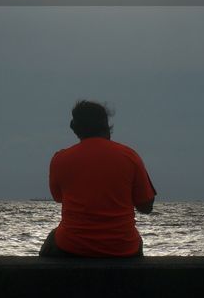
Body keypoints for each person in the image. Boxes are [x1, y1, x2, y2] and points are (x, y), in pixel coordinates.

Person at [40, 99, 157, 258]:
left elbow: (59, 198)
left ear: (75, 129)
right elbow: (146, 206)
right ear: (106, 125)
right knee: (136, 241)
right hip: (123, 248)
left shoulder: (60, 159)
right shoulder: (130, 156)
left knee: (52, 240)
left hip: (72, 246)